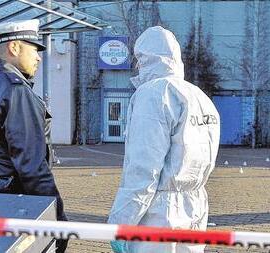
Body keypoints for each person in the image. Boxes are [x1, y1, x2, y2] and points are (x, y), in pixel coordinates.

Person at [108, 26, 220, 253]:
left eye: (139, 59)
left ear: (146, 58)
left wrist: (121, 224)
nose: (137, 66)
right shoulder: (198, 96)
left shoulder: (153, 94)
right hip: (195, 203)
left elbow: (143, 168)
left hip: (159, 212)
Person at [0, 20, 67, 252]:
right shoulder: (14, 90)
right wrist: (57, 217)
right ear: (14, 47)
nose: (39, 57)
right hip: (12, 202)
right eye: (34, 49)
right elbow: (31, 166)